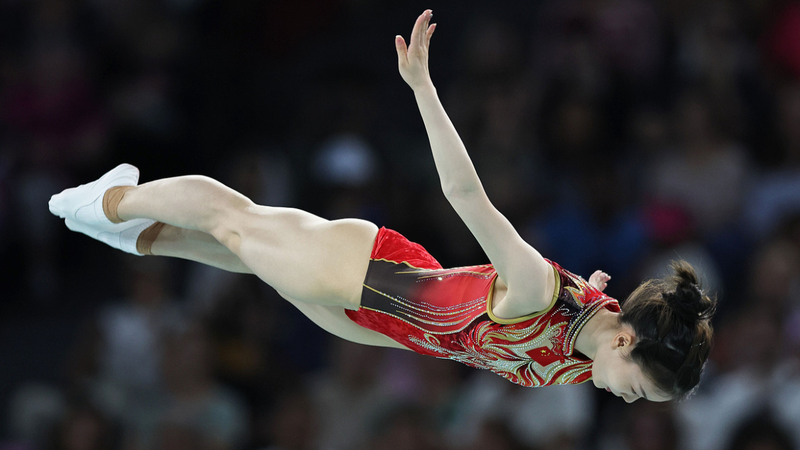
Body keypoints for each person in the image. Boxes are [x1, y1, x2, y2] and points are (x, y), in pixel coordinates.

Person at [49, 10, 715, 403]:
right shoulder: (538, 292)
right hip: (371, 273)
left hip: (383, 322)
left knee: (237, 256)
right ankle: (108, 197)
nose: (630, 400)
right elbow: (465, 196)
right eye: (638, 388)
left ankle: (123, 234)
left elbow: (595, 301)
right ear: (626, 341)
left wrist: (597, 295)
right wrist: (423, 87)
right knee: (235, 221)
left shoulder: (593, 346)